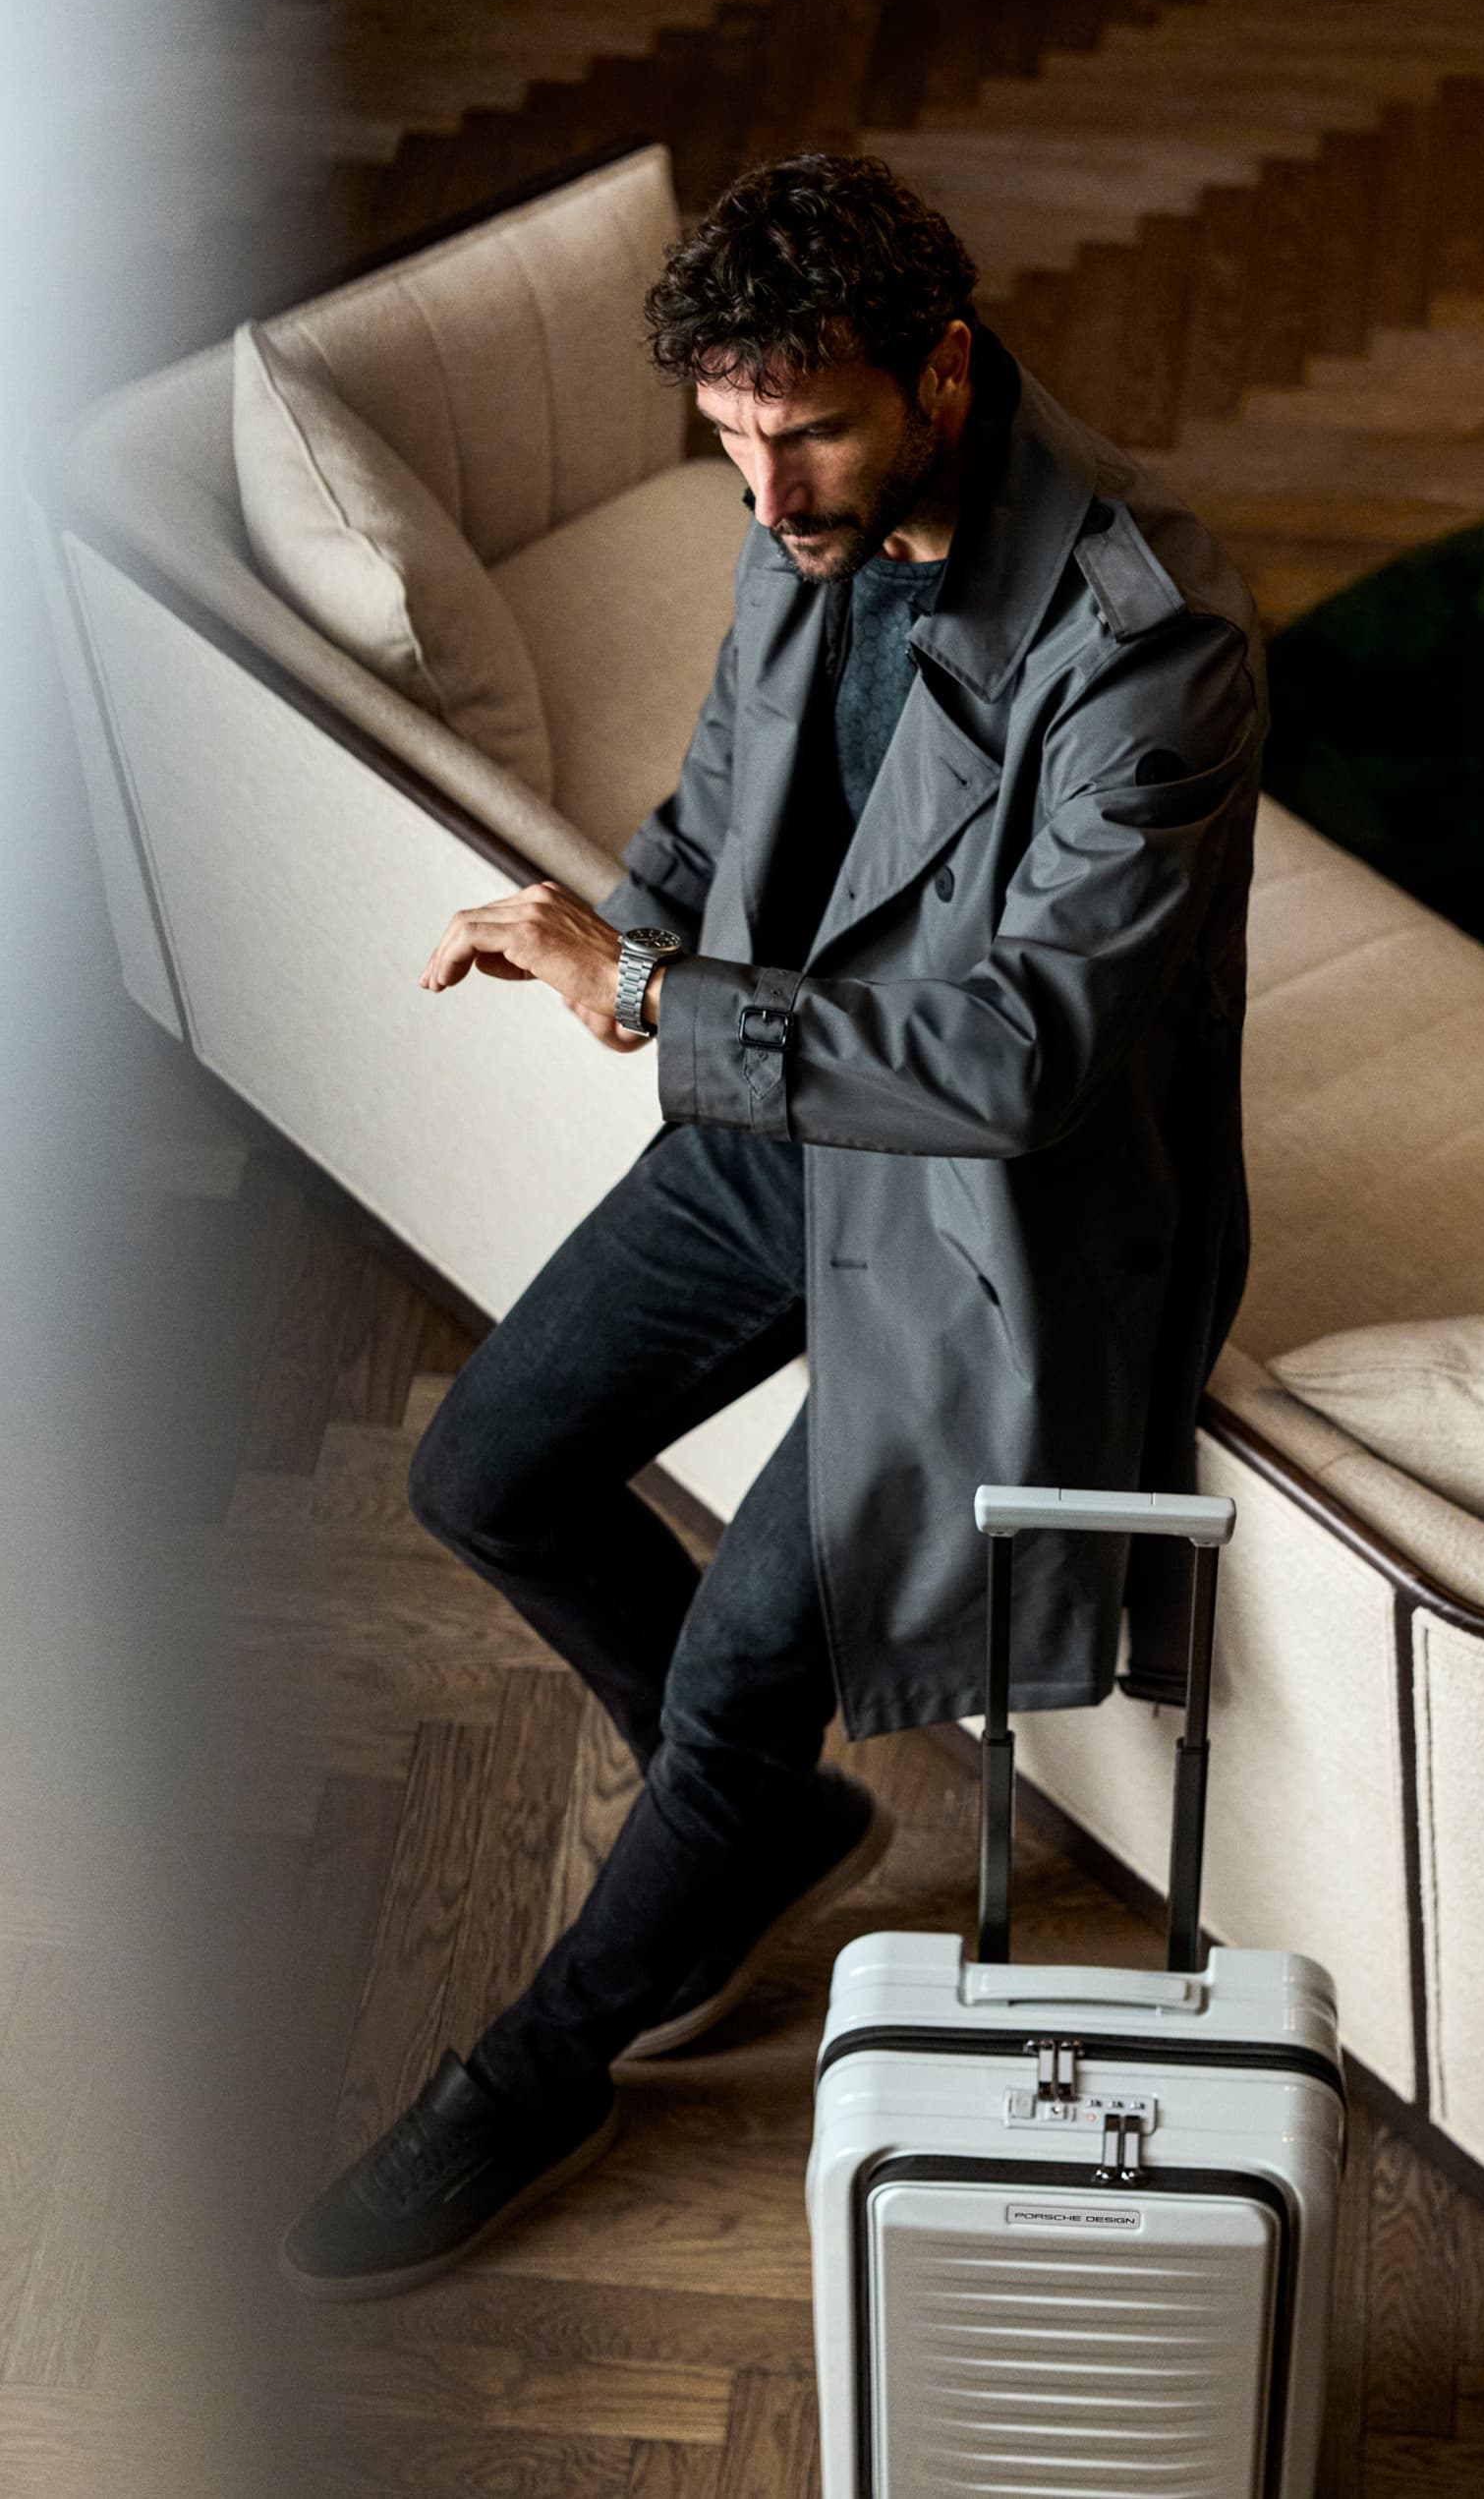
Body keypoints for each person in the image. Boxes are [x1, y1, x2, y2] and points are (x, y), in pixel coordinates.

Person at [278, 151, 1265, 2297]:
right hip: (775, 1113)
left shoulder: (1148, 637)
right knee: (484, 1467)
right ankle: (757, 1832)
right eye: (724, 438)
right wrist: (628, 919)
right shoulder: (789, 515)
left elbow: (1020, 1055)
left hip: (993, 1216)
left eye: (804, 428)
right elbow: (730, 793)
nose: (764, 487)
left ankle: (529, 2077)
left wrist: (651, 998)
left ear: (942, 366)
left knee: (736, 1669)